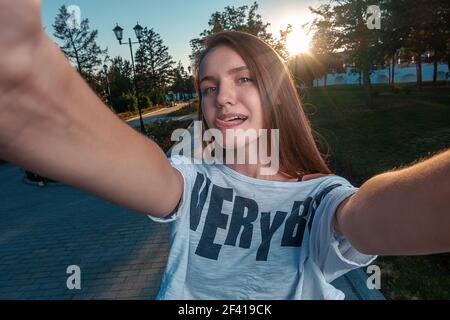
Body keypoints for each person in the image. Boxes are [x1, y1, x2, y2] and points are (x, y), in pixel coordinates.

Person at [0, 1, 449, 300]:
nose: (222, 97)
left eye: (243, 78)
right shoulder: (193, 176)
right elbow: (145, 174)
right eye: (209, 87)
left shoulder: (323, 199)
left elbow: (377, 213)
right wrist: (28, 75)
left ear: (276, 94)